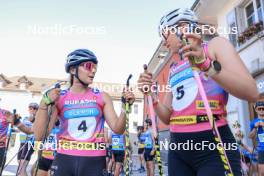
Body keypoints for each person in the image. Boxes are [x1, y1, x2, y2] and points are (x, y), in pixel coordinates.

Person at [138, 8, 259, 176]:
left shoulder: (215, 46)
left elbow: (252, 92)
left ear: (181, 27)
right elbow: (166, 117)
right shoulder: (174, 67)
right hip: (178, 147)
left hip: (213, 144)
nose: (164, 43)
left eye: (165, 36)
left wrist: (206, 65)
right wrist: (152, 96)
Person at [33, 49, 135, 176]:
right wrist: (44, 103)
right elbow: (40, 136)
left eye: (95, 67)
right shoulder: (59, 97)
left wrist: (125, 108)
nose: (93, 71)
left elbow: (118, 129)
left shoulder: (102, 96)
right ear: (72, 70)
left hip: (94, 162)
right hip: (65, 159)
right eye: (88, 66)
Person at [15, 102, 38, 176]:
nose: (32, 110)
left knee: (22, 167)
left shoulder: (38, 119)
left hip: (30, 142)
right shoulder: (25, 118)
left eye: (34, 108)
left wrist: (34, 119)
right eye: (30, 108)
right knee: (19, 163)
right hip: (22, 142)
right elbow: (20, 129)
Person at [249, 101, 264, 176]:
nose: (261, 110)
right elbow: (250, 136)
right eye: (259, 109)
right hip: (261, 149)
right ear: (256, 110)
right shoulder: (253, 122)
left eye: (263, 108)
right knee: (261, 172)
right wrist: (255, 127)